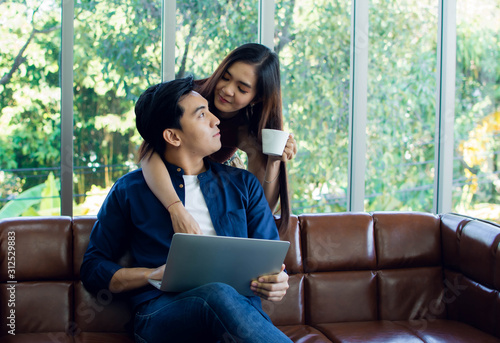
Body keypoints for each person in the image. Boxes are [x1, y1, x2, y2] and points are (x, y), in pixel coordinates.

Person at [80, 76, 292, 343]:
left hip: (238, 316)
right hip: (161, 314)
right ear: (172, 136)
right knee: (217, 293)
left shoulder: (244, 184)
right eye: (202, 115)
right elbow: (92, 268)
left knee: (222, 298)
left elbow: (271, 262)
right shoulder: (130, 190)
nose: (216, 120)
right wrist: (151, 274)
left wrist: (278, 281)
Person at [141, 43, 297, 235]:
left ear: (257, 99)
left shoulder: (246, 131)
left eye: (241, 89)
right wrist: (176, 210)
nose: (227, 90)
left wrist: (274, 160)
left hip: (207, 196)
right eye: (225, 77)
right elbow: (148, 155)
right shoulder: (189, 97)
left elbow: (259, 209)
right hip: (165, 191)